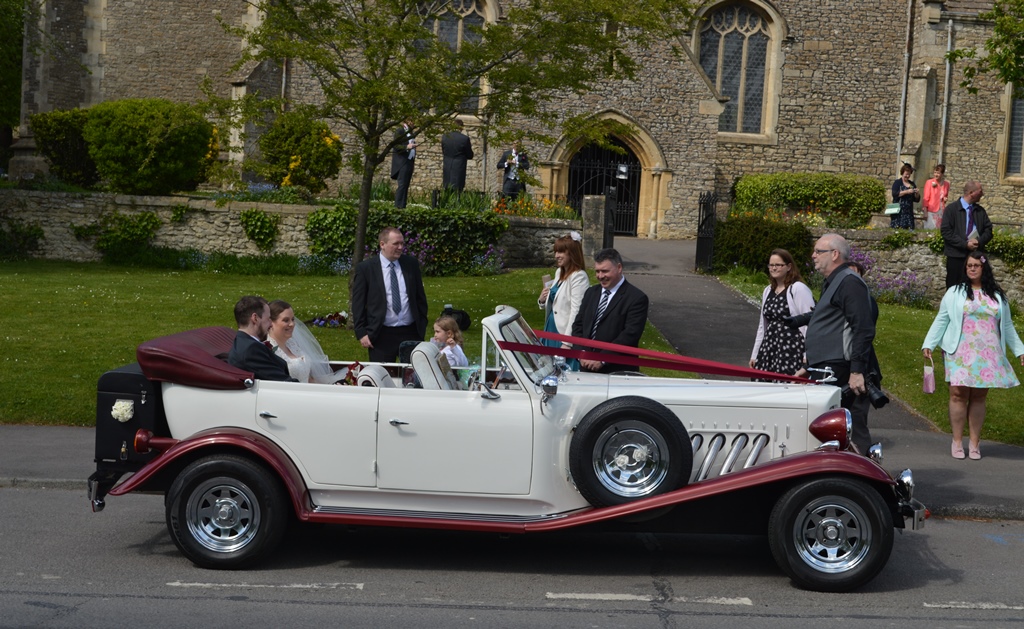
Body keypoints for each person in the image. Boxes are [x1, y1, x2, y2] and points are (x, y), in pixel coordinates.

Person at [922, 252, 1024, 460]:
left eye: (976, 265)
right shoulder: (955, 292)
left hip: (987, 353)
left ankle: (975, 444)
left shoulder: (997, 295)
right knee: (958, 394)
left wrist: (1020, 350)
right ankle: (957, 441)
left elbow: (1007, 326)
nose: (972, 268)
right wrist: (929, 343)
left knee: (979, 396)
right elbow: (942, 319)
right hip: (959, 350)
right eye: (969, 265)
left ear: (984, 268)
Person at [788, 234, 877, 453]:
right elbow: (828, 325)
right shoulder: (835, 281)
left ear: (835, 254)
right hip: (827, 367)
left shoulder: (849, 281)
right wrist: (810, 368)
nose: (813, 255)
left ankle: (861, 479)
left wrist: (856, 371)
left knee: (846, 428)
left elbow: (863, 328)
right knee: (830, 428)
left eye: (819, 251)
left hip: (841, 369)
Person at [352, 227, 429, 363]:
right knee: (383, 377)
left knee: (413, 377)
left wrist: (421, 326)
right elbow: (358, 303)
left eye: (402, 244)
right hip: (381, 334)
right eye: (396, 244)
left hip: (410, 332)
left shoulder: (410, 264)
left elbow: (420, 297)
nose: (400, 248)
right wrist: (362, 333)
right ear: (382, 244)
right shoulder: (366, 269)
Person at [571, 248, 649, 374]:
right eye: (597, 271)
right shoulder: (591, 293)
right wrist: (582, 353)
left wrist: (602, 359)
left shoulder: (636, 298)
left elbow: (630, 335)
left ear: (619, 268)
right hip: (586, 369)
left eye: (605, 271)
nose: (600, 276)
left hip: (617, 371)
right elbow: (578, 325)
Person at [749, 248, 814, 380]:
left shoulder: (797, 288)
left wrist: (808, 355)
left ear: (789, 266)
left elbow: (810, 322)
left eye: (778, 265)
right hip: (770, 346)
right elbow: (763, 325)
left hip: (791, 348)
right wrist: (755, 354)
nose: (773, 268)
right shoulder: (767, 290)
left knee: (786, 385)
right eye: (771, 265)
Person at [537, 232, 590, 371]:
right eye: (555, 252)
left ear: (571, 253)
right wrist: (542, 300)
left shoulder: (579, 277)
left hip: (563, 334)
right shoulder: (559, 272)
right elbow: (555, 301)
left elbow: (576, 312)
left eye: (561, 252)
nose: (556, 256)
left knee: (563, 372)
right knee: (548, 371)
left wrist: (567, 343)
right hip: (551, 329)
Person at [268, 299, 345, 384]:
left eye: (292, 319)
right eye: (286, 320)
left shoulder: (292, 344)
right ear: (271, 323)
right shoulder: (269, 349)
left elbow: (308, 377)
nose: (292, 324)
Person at [227, 295, 298, 382]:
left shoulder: (242, 342)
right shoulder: (251, 350)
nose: (271, 324)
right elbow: (283, 382)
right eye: (268, 319)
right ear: (255, 318)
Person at [941, 180, 992, 288]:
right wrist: (964, 244)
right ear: (971, 193)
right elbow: (946, 232)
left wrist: (979, 241)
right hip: (956, 257)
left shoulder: (980, 211)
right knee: (954, 288)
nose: (982, 194)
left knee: (975, 288)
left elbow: (988, 231)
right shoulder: (951, 209)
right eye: (980, 191)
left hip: (975, 257)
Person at [441, 120, 473, 193]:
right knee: (458, 189)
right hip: (459, 167)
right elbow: (470, 155)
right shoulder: (464, 139)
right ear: (461, 128)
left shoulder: (445, 137)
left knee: (447, 188)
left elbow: (444, 151)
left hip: (447, 165)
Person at [390, 119, 417, 209]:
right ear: (408, 121)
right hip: (402, 162)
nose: (414, 123)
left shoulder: (410, 133)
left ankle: (403, 205)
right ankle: (398, 206)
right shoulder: (400, 131)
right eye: (412, 121)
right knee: (402, 185)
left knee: (406, 185)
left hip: (409, 161)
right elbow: (395, 145)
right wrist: (406, 147)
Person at [890, 163, 919, 229]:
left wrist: (917, 193)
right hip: (898, 212)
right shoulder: (897, 182)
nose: (907, 176)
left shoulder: (912, 184)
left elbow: (916, 199)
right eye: (906, 174)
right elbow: (894, 194)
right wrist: (906, 191)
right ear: (902, 173)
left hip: (908, 213)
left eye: (909, 174)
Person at [922, 164, 950, 230]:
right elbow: (925, 198)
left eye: (938, 173)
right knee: (930, 230)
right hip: (931, 211)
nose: (936, 175)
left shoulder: (946, 184)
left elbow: (945, 196)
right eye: (935, 172)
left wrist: (945, 199)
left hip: (941, 211)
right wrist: (925, 212)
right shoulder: (929, 182)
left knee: (939, 231)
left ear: (942, 174)